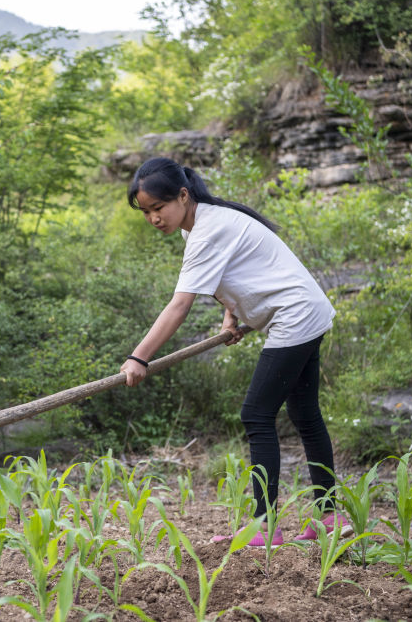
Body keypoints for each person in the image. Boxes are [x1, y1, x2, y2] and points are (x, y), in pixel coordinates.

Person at [120, 156, 344, 546]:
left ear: (183, 195)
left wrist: (139, 357)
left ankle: (264, 526)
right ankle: (329, 516)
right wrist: (231, 316)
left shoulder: (208, 229)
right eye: (146, 212)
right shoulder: (201, 225)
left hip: (294, 317)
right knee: (305, 415)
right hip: (306, 311)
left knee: (256, 414)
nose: (154, 218)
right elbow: (237, 272)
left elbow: (180, 305)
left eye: (158, 207)